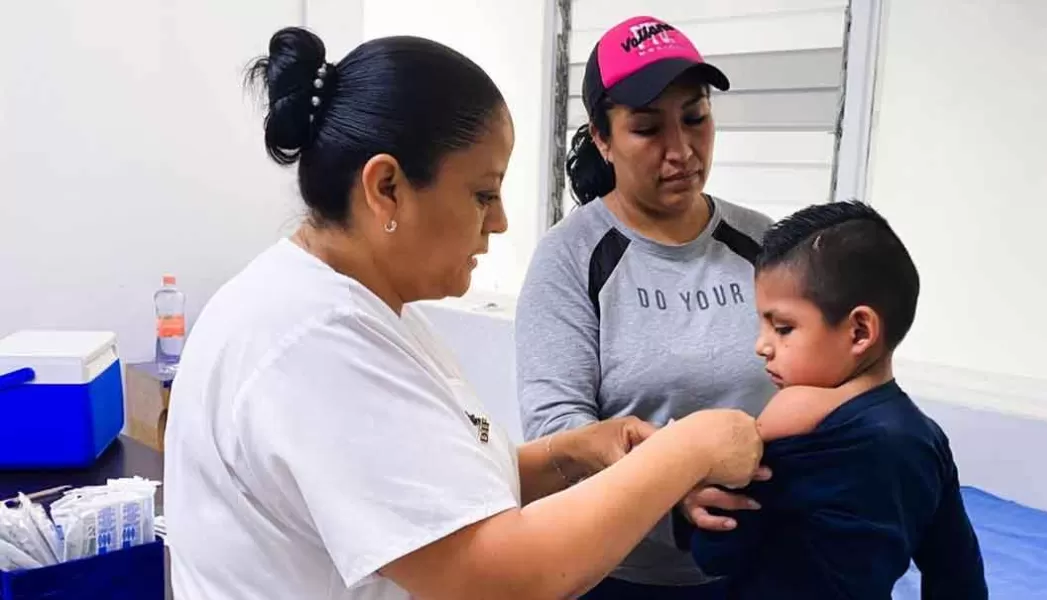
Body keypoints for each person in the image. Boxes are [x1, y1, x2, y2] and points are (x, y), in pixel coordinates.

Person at [162, 27, 766, 600]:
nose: (500, 221)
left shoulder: (368, 311)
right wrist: (689, 449)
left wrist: (574, 453)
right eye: (483, 193)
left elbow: (447, 491)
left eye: (695, 117)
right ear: (387, 188)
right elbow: (497, 578)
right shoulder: (314, 343)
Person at [515, 14, 814, 599]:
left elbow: (817, 373)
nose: (681, 150)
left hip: (766, 561)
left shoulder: (764, 244)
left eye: (696, 118)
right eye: (648, 129)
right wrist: (671, 481)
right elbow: (560, 430)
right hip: (626, 573)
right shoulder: (570, 258)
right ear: (602, 138)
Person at [679, 201, 990, 598]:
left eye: (783, 328)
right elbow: (957, 572)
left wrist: (704, 475)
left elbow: (716, 554)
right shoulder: (926, 439)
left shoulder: (791, 427)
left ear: (860, 331)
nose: (762, 346)